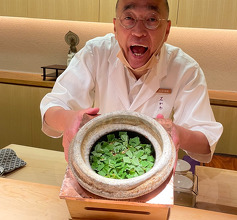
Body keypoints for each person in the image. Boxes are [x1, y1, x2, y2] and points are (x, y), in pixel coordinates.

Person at [40, 0, 223, 163]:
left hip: (152, 167)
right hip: (102, 162)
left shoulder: (185, 69)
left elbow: (206, 141)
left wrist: (178, 133)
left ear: (166, 30)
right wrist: (68, 120)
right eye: (129, 18)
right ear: (115, 26)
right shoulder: (95, 53)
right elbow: (53, 107)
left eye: (152, 19)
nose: (138, 32)